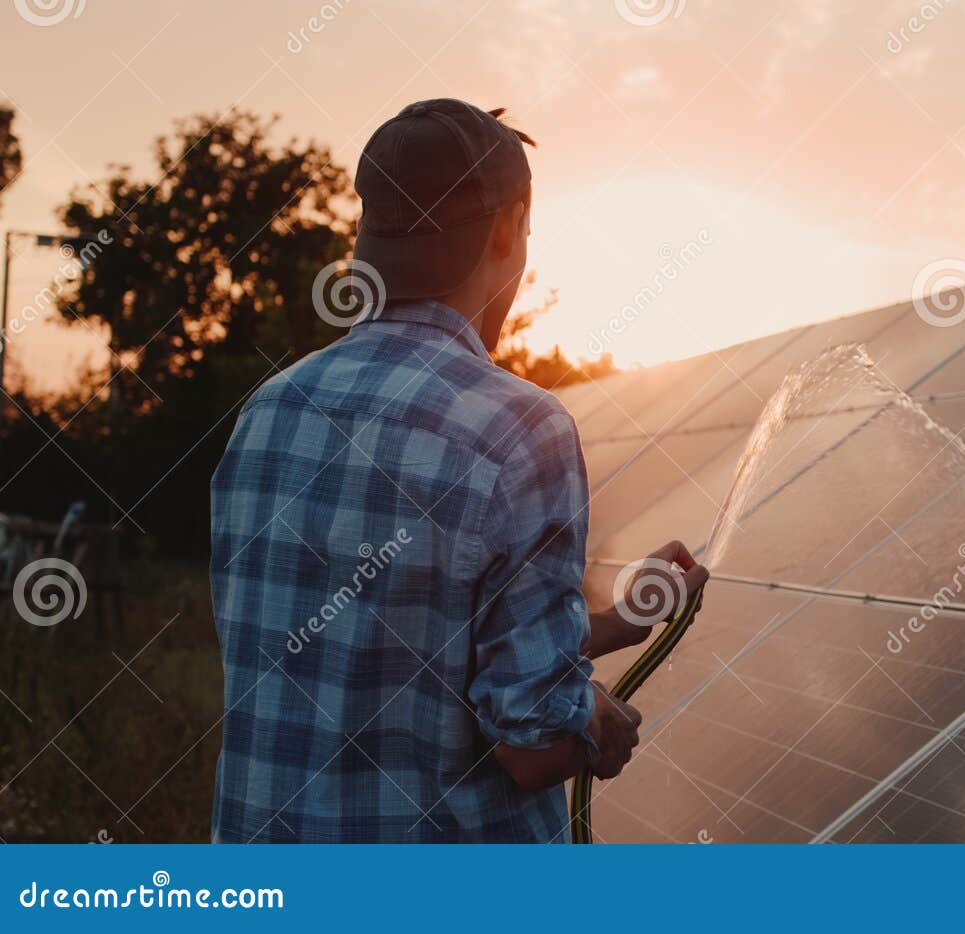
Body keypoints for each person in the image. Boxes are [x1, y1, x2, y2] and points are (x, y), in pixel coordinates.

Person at [209, 99, 708, 843]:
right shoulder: (519, 429)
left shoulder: (269, 412)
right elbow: (535, 749)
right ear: (509, 230)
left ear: (367, 230)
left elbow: (398, 648)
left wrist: (614, 624)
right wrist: (597, 724)